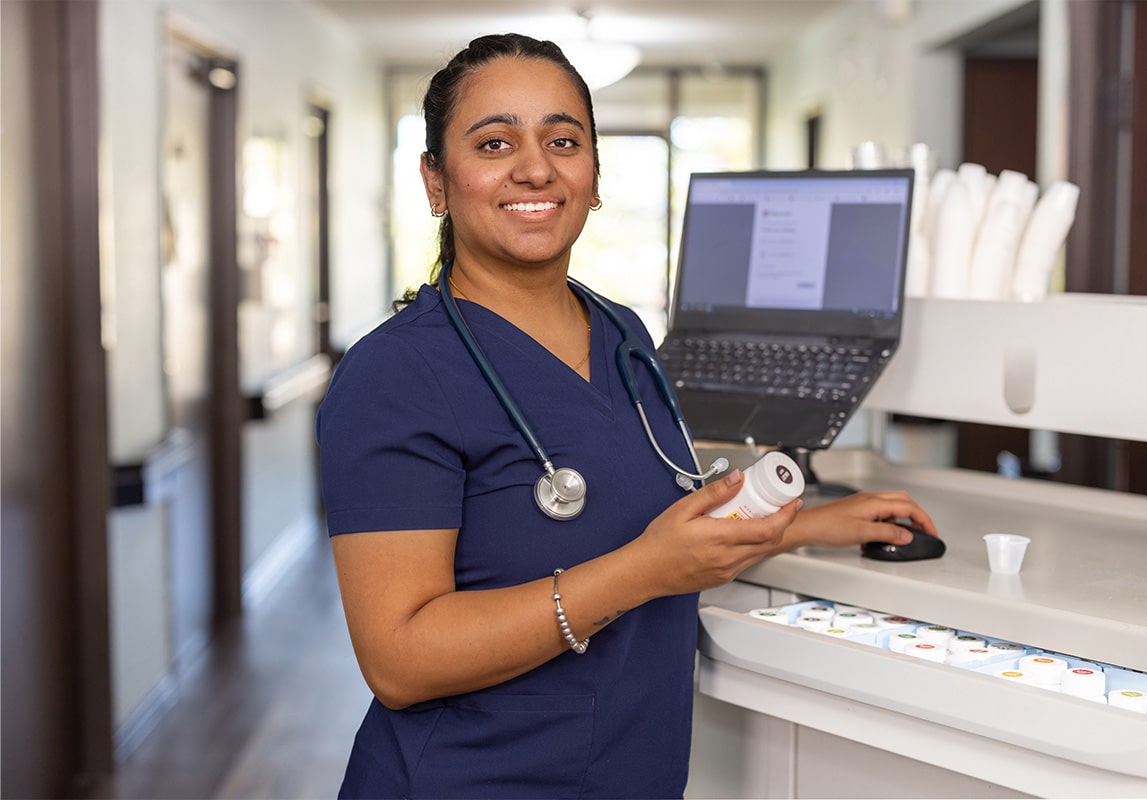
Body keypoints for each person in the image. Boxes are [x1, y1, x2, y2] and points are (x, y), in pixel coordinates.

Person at [317, 32, 938, 800]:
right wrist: (643, 573)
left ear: (594, 176)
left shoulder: (622, 336)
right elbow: (399, 661)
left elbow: (643, 522)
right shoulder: (395, 374)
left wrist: (807, 522)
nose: (536, 167)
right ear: (436, 182)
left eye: (563, 139)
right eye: (495, 142)